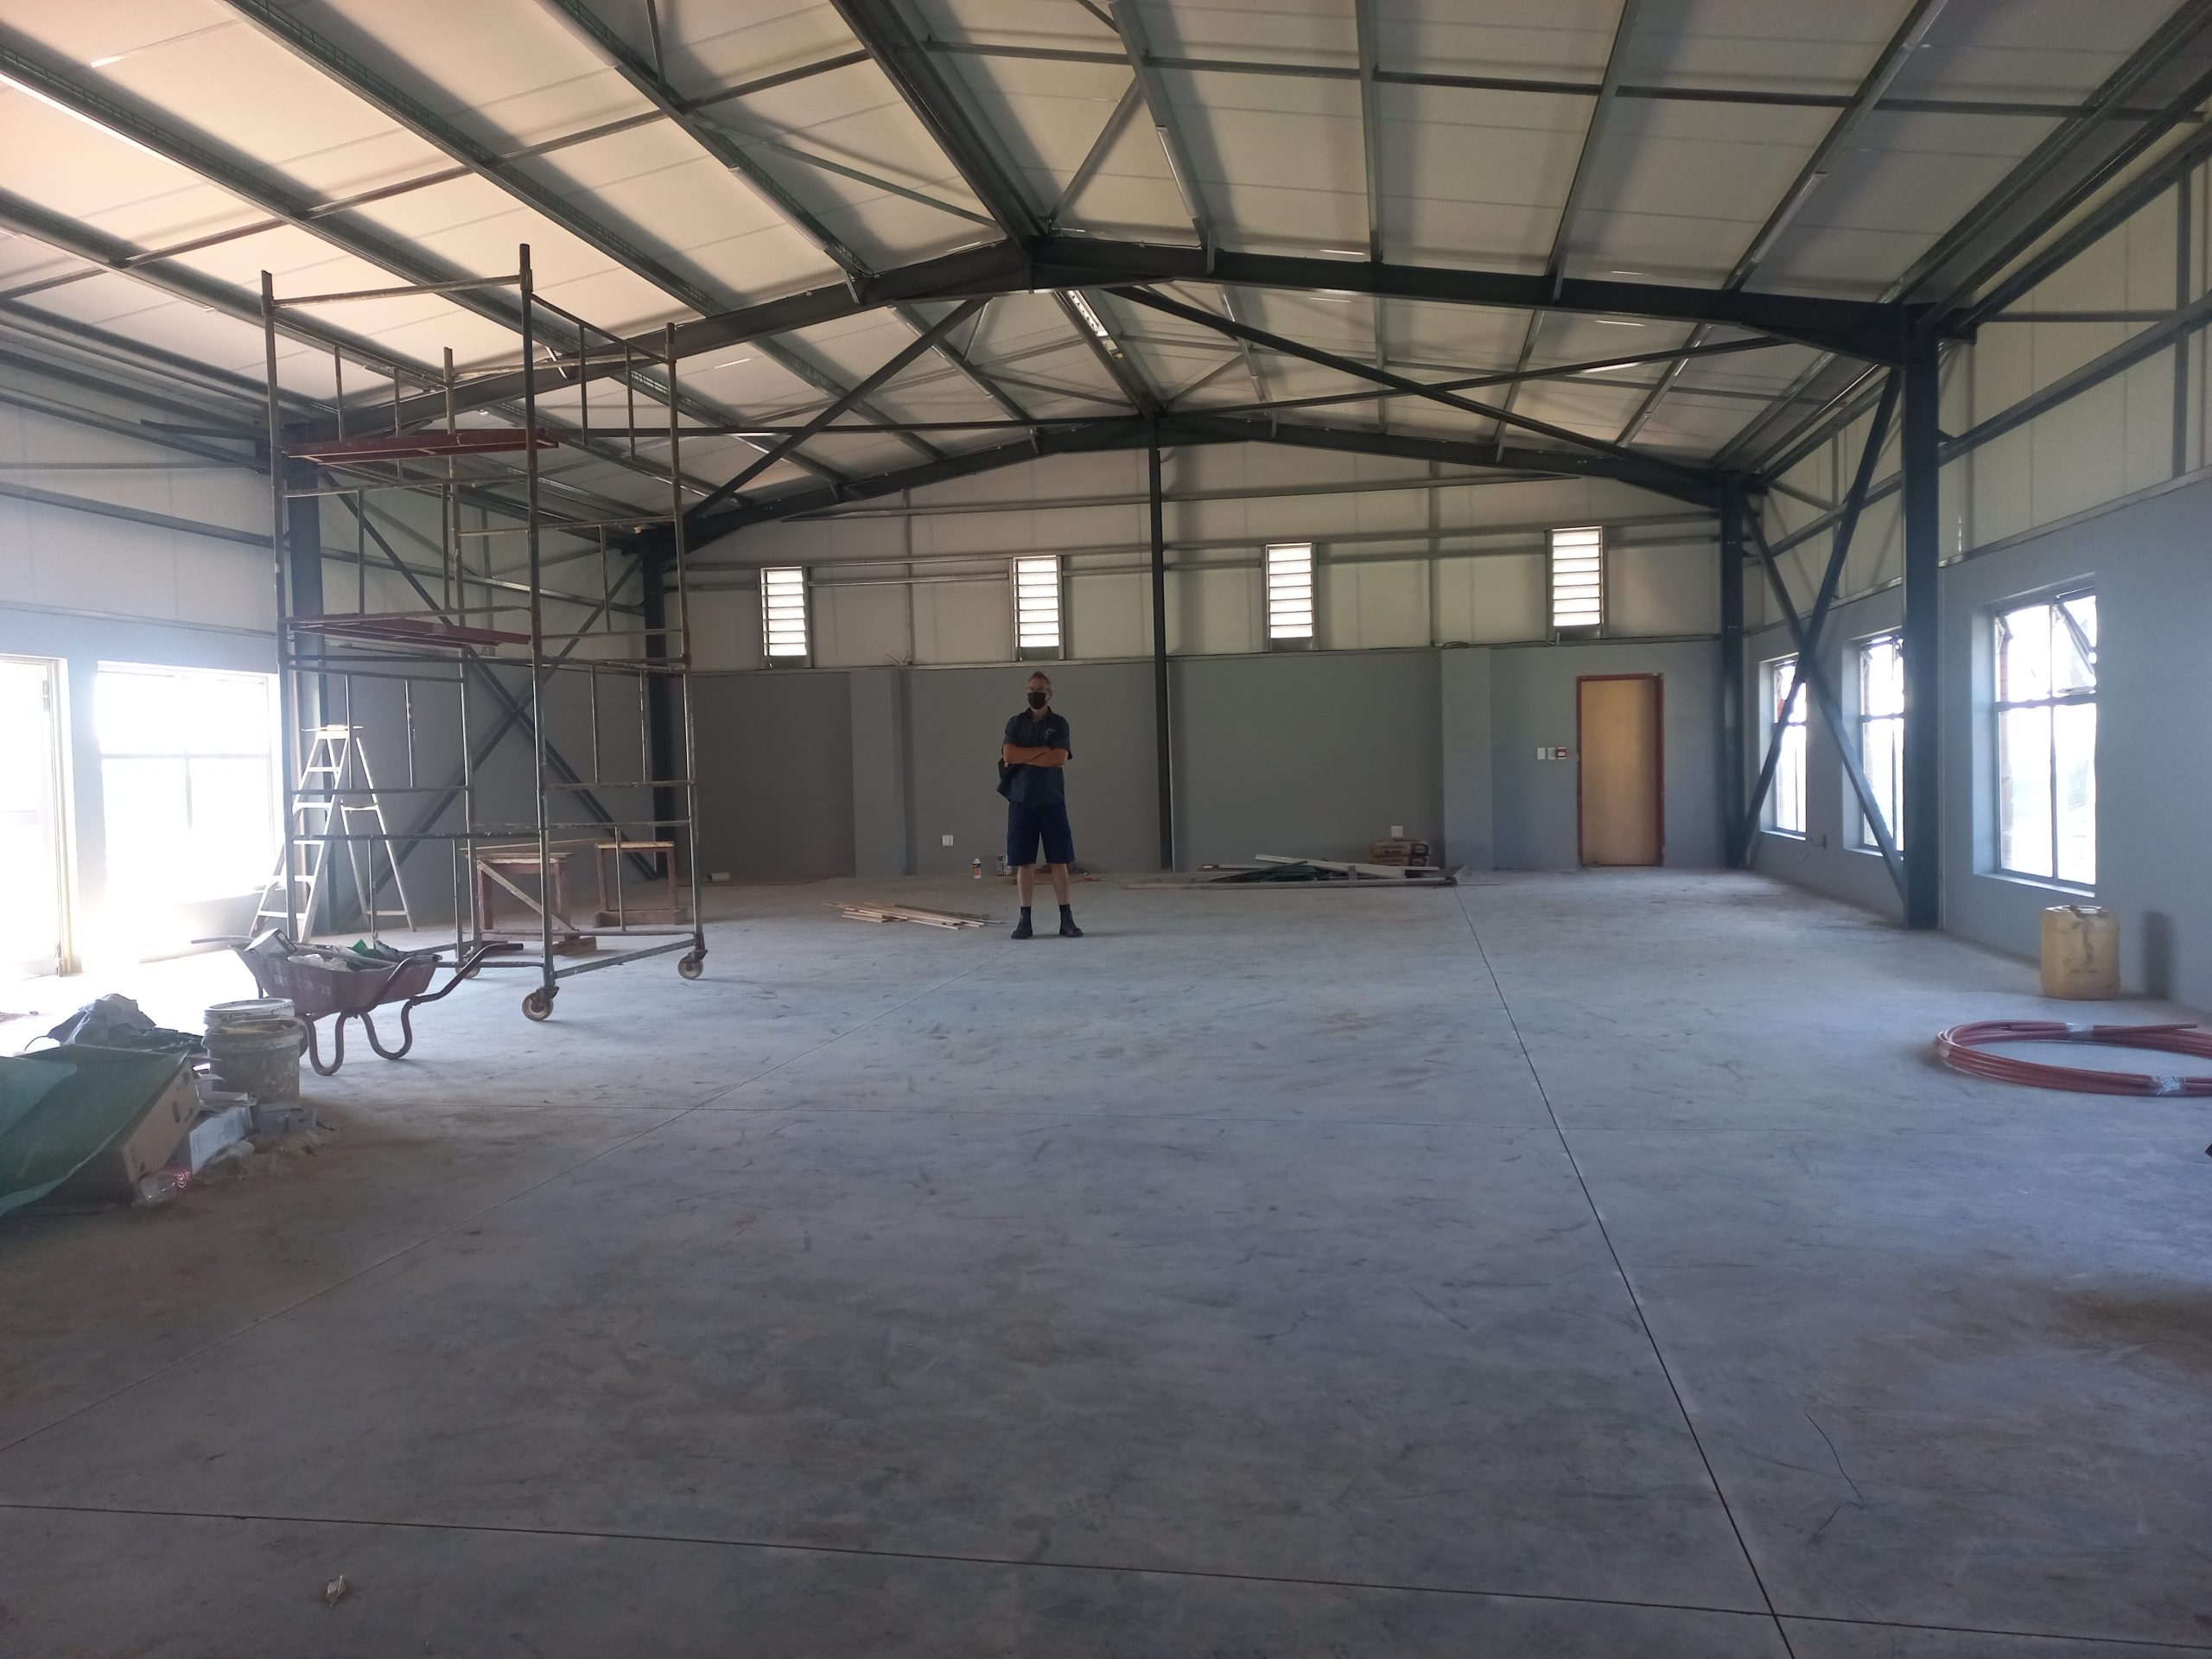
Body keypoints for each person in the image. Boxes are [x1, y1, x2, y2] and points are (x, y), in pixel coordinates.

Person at [999, 670, 1082, 938]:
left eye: (1040, 690)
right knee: (1023, 862)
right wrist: (1042, 752)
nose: (1035, 694)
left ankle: (1066, 919)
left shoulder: (1060, 724)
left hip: (1051, 800)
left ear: (1050, 694)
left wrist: (1025, 756)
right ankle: (1025, 920)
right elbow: (1009, 754)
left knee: (1059, 860)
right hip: (1021, 799)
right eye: (1031, 690)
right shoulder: (1015, 723)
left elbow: (1059, 758)